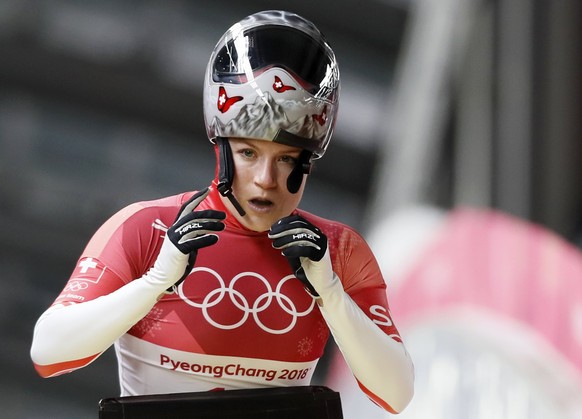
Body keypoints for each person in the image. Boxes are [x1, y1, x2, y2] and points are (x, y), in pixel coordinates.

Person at [30, 10, 414, 414]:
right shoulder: (145, 228)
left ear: (310, 161)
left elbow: (397, 393)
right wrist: (155, 283)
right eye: (248, 153)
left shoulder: (337, 250)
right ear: (221, 146)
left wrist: (331, 293)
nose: (266, 178)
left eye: (286, 159)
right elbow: (49, 352)